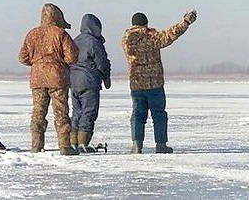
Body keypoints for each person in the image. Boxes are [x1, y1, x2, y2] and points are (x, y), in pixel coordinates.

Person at [122, 10, 197, 154]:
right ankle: (161, 144)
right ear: (145, 24)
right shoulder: (151, 36)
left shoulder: (126, 38)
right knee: (159, 114)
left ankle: (136, 145)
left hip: (136, 84)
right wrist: (185, 23)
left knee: (138, 114)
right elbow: (169, 35)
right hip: (154, 83)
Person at [18, 3, 80, 155]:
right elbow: (72, 56)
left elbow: (22, 57)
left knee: (38, 112)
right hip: (57, 78)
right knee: (61, 112)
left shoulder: (32, 34)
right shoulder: (60, 33)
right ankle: (65, 146)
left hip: (37, 79)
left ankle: (36, 145)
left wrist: (37, 64)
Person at [69, 14, 111, 153]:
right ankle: (83, 142)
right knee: (89, 111)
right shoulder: (94, 42)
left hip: (73, 82)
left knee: (77, 112)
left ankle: (73, 141)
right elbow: (101, 62)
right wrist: (106, 77)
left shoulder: (74, 40)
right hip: (89, 81)